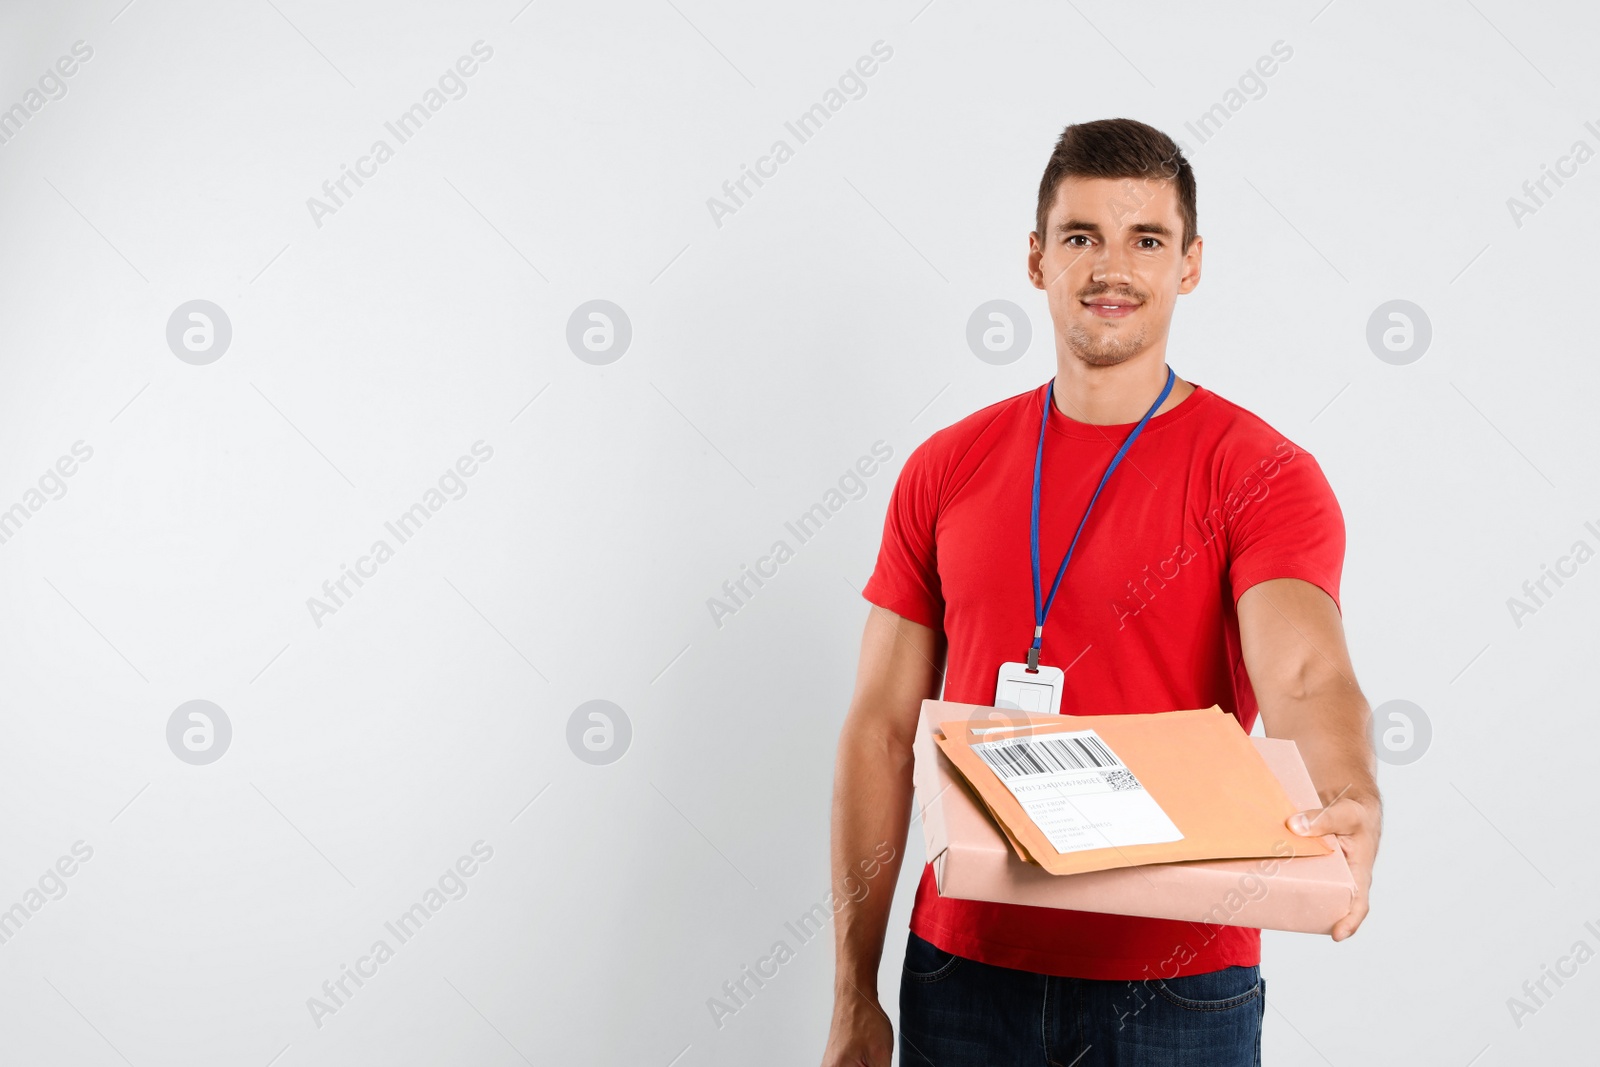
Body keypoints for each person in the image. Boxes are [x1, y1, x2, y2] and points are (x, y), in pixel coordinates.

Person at [819, 117, 1382, 1066]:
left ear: (1190, 264)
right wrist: (851, 993)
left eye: (1146, 240)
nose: (1110, 267)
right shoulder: (946, 467)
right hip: (964, 973)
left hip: (1176, 983)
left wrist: (1347, 785)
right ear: (1036, 259)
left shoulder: (1262, 472)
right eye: (1081, 236)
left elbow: (1305, 668)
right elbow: (878, 729)